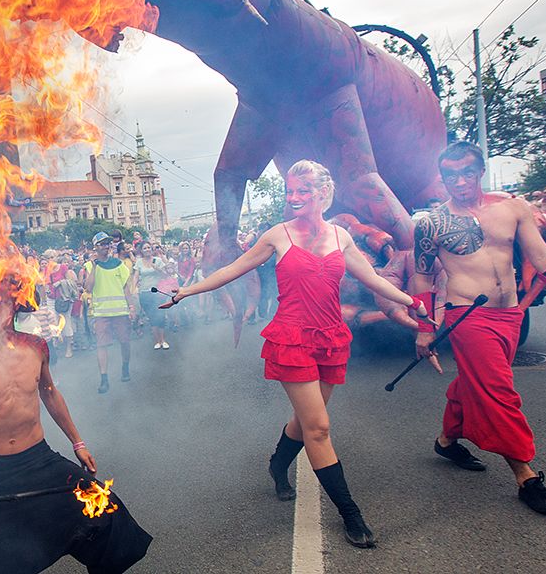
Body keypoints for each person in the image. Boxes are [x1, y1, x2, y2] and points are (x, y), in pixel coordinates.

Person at [164, 160, 432, 548]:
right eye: (290, 190)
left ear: (323, 192)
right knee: (318, 427)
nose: (294, 197)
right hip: (292, 339)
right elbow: (235, 268)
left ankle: (277, 463)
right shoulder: (278, 235)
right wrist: (188, 291)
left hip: (331, 338)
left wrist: (413, 303)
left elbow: (373, 279)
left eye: (303, 190)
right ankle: (351, 514)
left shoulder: (341, 236)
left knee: (305, 420)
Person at [411, 141, 546, 516]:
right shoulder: (431, 223)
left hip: (510, 314)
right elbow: (423, 278)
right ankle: (526, 477)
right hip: (467, 315)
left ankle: (446, 441)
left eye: (467, 172)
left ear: (480, 171)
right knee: (497, 392)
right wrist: (424, 328)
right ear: (442, 178)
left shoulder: (513, 208)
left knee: (473, 384)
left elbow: (540, 254)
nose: (459, 181)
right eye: (450, 175)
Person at [0, 279, 152, 574]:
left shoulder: (36, 346)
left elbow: (50, 393)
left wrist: (78, 443)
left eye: (1, 303)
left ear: (15, 306)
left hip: (37, 459)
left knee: (107, 515)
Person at [84, 233, 136, 394]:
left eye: (107, 243)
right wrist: (95, 266)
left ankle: (125, 367)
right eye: (102, 244)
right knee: (101, 345)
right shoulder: (90, 266)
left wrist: (131, 307)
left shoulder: (118, 264)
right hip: (101, 313)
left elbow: (125, 288)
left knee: (125, 342)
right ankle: (104, 379)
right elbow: (88, 288)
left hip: (120, 310)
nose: (106, 246)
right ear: (95, 247)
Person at [135, 242, 171, 350]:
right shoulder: (139, 262)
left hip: (157, 292)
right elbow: (136, 276)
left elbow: (165, 275)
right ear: (141, 251)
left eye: (148, 247)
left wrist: (157, 269)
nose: (147, 249)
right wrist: (134, 289)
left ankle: (163, 340)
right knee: (151, 317)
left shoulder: (157, 260)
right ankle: (157, 341)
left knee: (160, 315)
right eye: (144, 248)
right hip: (144, 292)